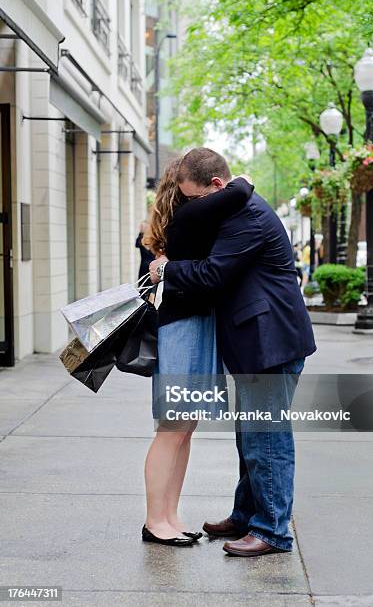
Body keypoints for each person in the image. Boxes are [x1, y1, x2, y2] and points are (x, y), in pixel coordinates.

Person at [150, 147, 316, 557]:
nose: (192, 206)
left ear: (216, 186)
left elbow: (212, 273)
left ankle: (272, 531)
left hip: (270, 343)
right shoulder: (237, 208)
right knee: (250, 437)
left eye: (193, 198)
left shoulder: (249, 219)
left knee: (267, 438)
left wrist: (166, 269)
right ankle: (246, 516)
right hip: (257, 341)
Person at [142, 156, 254, 547]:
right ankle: (155, 521)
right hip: (183, 330)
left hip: (196, 328)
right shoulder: (190, 217)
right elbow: (241, 189)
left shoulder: (188, 216)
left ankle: (170, 516)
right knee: (173, 429)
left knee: (185, 429)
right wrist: (242, 177)